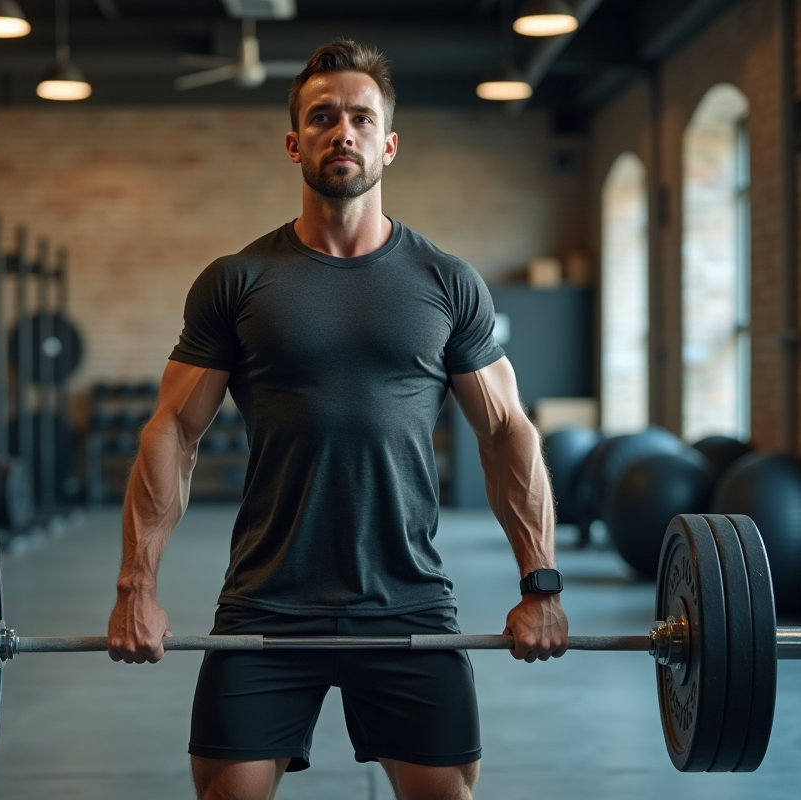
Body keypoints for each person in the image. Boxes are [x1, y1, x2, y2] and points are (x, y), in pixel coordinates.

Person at [107, 39, 568, 800]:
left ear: (388, 143)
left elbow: (506, 431)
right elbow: (173, 432)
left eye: (361, 117)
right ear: (295, 142)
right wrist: (136, 585)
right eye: (322, 117)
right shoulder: (237, 281)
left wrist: (541, 585)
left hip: (408, 602)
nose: (341, 132)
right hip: (266, 603)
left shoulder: (447, 283)